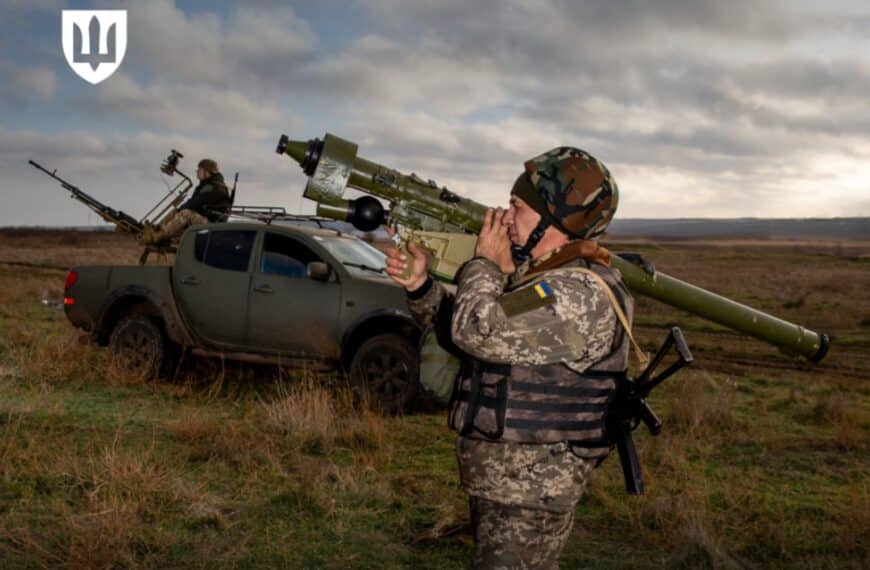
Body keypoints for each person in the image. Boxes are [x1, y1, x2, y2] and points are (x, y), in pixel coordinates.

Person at [385, 147, 631, 569]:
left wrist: (485, 264)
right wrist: (421, 286)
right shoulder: (544, 283)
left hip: (531, 492)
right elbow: (468, 333)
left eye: (517, 206)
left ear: (555, 219)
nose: (505, 215)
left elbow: (478, 330)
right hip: (510, 483)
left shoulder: (575, 294)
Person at [140, 158, 231, 245]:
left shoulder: (214, 187)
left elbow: (194, 204)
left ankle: (157, 236)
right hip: (208, 219)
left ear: (207, 172)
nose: (197, 172)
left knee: (186, 213)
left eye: (200, 169)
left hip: (213, 225)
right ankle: (156, 230)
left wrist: (180, 210)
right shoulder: (209, 185)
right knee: (176, 211)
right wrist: (178, 210)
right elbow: (194, 202)